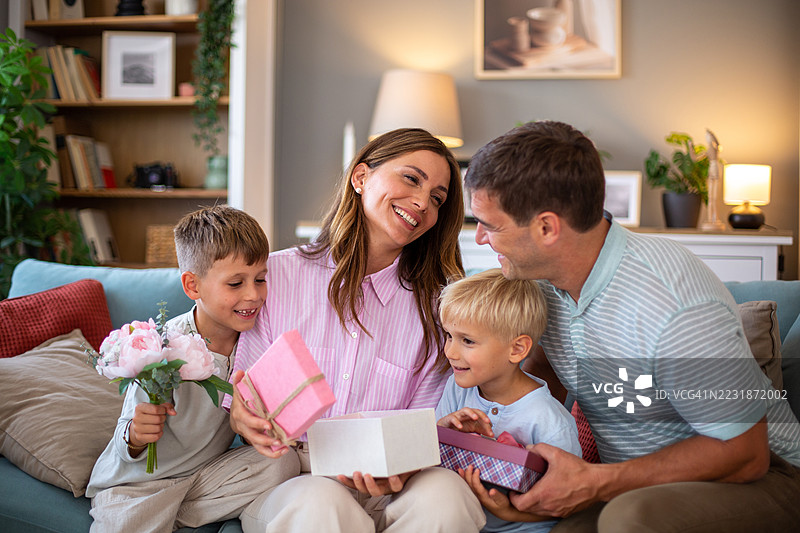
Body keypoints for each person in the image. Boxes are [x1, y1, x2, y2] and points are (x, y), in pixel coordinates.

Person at [464, 120, 800, 532]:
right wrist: (508, 454)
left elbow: (745, 453)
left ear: (547, 228)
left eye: (491, 225)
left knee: (628, 520)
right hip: (635, 479)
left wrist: (595, 483)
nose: (480, 238)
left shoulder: (673, 303)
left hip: (766, 476)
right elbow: (538, 376)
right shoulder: (538, 281)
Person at [228, 128, 486, 533]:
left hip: (394, 479)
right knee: (322, 502)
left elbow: (425, 423)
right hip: (296, 476)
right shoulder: (275, 276)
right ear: (361, 177)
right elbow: (243, 393)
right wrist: (241, 417)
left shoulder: (438, 306)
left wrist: (404, 463)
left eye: (437, 198)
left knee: (447, 497)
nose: (422, 202)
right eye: (411, 178)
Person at [86, 205, 300, 532]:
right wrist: (136, 436)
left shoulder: (259, 342)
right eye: (235, 284)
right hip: (137, 487)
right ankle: (158, 514)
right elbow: (126, 436)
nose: (254, 295)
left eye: (260, 279)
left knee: (282, 461)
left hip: (201, 479)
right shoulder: (163, 346)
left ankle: (170, 514)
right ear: (192, 286)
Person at [435, 268, 581, 532]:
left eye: (467, 340)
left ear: (517, 349)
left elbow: (568, 504)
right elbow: (433, 458)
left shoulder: (550, 421)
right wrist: (443, 428)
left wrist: (511, 512)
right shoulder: (456, 388)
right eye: (449, 336)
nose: (450, 351)